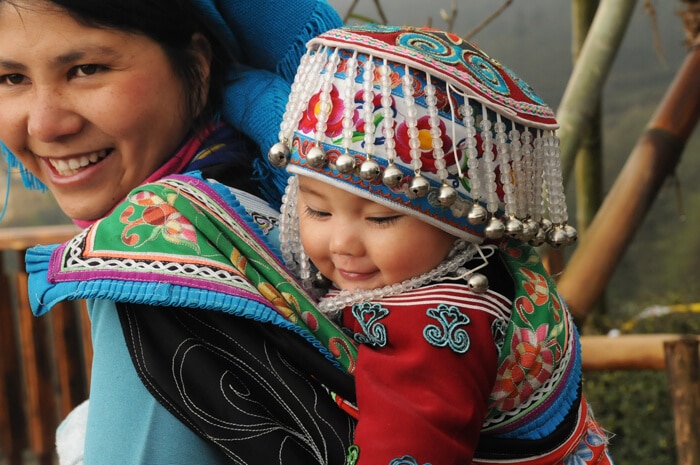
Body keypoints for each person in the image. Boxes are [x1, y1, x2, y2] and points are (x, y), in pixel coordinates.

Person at [0, 1, 360, 464]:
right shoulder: (299, 218)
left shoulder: (150, 257)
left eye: (86, 69)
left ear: (196, 64)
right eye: (12, 78)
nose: (46, 124)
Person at [268, 24, 615, 465]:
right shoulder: (485, 266)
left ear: (460, 228)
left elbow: (407, 451)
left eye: (381, 218)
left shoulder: (438, 325)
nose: (340, 243)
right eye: (317, 211)